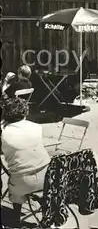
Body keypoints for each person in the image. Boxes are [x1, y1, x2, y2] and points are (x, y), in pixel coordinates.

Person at [1, 97, 51, 227]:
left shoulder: (4, 132)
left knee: (15, 185)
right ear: (25, 112)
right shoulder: (36, 127)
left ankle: (16, 220)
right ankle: (47, 215)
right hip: (48, 175)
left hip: (24, 181)